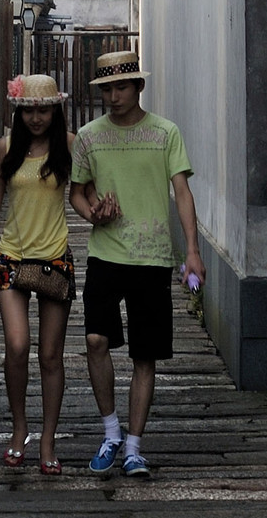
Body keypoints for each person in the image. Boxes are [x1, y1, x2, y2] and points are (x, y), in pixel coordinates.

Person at [68, 46, 203, 477]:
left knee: (145, 355)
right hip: (106, 254)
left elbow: (182, 192)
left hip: (153, 257)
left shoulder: (165, 133)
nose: (113, 96)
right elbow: (77, 192)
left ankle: (134, 447)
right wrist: (94, 214)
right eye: (107, 88)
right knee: (95, 341)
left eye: (121, 86)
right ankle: (110, 432)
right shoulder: (89, 136)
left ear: (139, 86)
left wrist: (193, 252)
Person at [0, 71, 76, 474]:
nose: (36, 118)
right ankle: (19, 427)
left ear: (55, 111)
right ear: (19, 112)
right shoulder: (7, 147)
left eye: (44, 110)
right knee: (18, 346)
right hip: (11, 257)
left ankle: (48, 440)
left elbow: (89, 190)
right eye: (29, 111)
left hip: (55, 259)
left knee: (51, 356)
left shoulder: (70, 147)